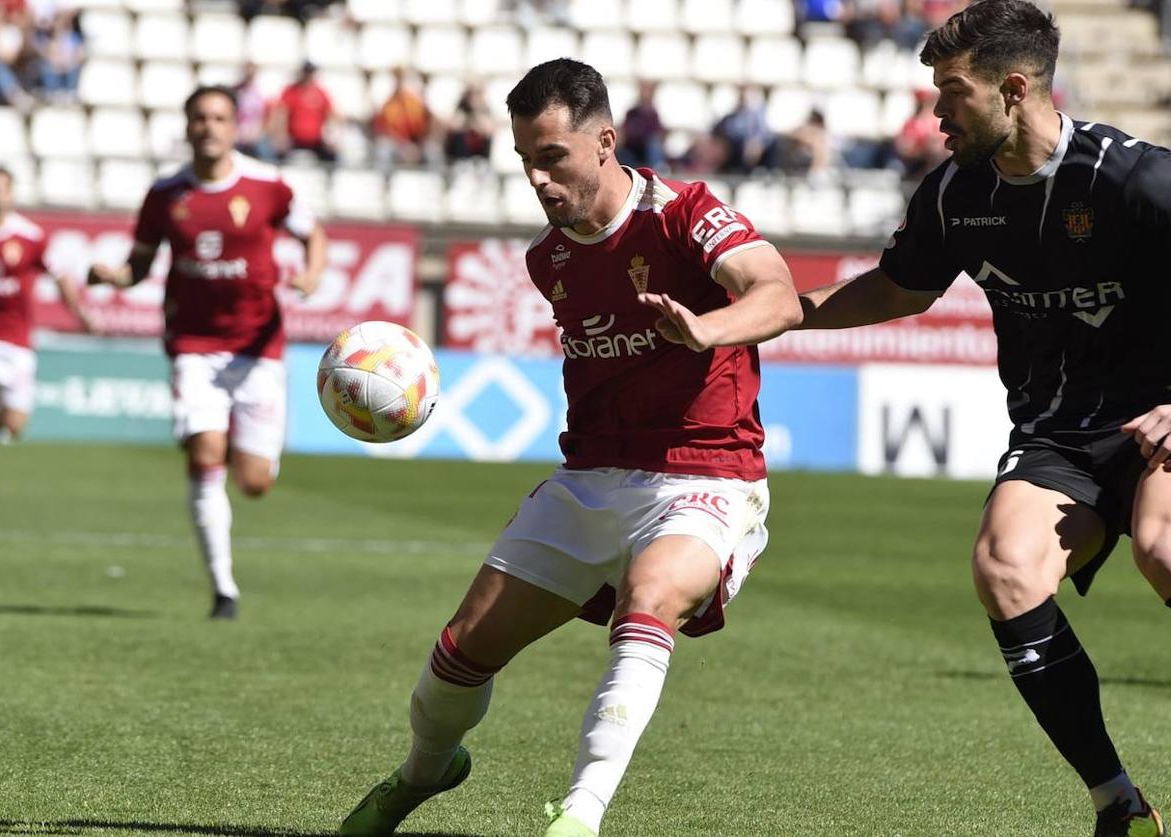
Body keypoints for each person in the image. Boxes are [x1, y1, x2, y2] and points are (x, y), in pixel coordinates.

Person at [338, 58, 802, 837]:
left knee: (649, 597)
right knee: (459, 655)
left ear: (604, 144)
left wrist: (707, 327)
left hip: (706, 473)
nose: (539, 180)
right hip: (590, 476)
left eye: (551, 157)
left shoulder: (684, 214)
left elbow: (778, 291)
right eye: (525, 162)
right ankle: (425, 771)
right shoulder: (546, 258)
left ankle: (579, 815)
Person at [793, 2, 1168, 834]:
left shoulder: (1135, 179)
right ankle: (1117, 800)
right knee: (1006, 565)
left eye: (950, 92)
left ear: (1014, 88)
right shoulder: (958, 194)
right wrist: (777, 312)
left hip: (1163, 420)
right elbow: (897, 287)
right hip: (1060, 434)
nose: (934, 113)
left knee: (1164, 547)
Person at [87, 85, 327, 620]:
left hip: (258, 347)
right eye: (199, 117)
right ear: (187, 124)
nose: (209, 127)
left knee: (255, 482)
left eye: (219, 117)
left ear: (234, 125)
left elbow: (314, 236)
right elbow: (140, 265)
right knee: (204, 454)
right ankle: (224, 589)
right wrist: (113, 276)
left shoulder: (268, 186)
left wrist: (310, 274)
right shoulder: (166, 194)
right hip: (194, 345)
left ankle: (245, 502)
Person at [0, 165, 96, 509]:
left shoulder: (30, 237)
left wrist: (81, 313)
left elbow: (60, 277)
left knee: (13, 423)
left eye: (2, 188)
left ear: (12, 193)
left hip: (15, 343)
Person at [271, 61, 338, 163]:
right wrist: (281, 136)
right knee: (279, 155)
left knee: (331, 156)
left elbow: (330, 114)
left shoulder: (321, 92)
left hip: (316, 140)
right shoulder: (291, 91)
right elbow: (282, 114)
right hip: (294, 138)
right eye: (306, 72)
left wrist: (330, 136)